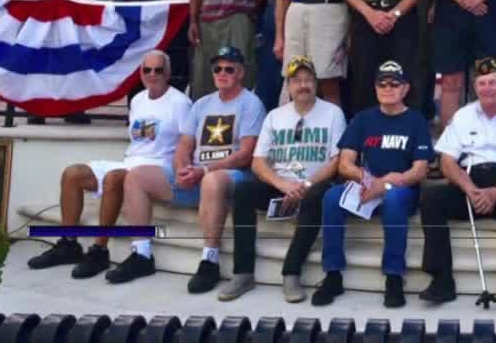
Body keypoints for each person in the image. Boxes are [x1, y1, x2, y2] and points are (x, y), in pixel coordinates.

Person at [108, 46, 265, 290]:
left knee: (212, 181)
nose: (222, 73)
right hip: (197, 177)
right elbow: (183, 145)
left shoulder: (251, 103)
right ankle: (141, 254)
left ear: (240, 73)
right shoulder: (201, 104)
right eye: (217, 68)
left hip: (231, 179)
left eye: (229, 69)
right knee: (136, 177)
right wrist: (182, 168)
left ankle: (209, 261)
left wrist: (204, 171)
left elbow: (245, 155)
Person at [26, 51, 190, 278]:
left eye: (158, 70)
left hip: (156, 166)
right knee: (72, 174)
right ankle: (68, 244)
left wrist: (182, 171)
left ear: (168, 73)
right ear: (140, 73)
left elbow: (186, 141)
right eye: (147, 70)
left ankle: (99, 251)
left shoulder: (180, 102)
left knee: (114, 177)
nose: (152, 75)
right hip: (130, 160)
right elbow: (138, 140)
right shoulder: (138, 100)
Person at [419, 56, 496, 308]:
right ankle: (441, 279)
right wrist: (470, 189)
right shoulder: (463, 116)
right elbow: (446, 161)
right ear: (475, 87)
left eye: (493, 82)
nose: (487, 88)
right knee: (431, 198)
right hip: (470, 184)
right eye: (482, 83)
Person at [219, 55, 346, 302]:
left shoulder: (333, 113)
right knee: (243, 191)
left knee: (319, 195)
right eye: (297, 80)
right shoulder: (275, 116)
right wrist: (283, 185)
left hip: (313, 185)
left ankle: (291, 271)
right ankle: (243, 273)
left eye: (308, 79)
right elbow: (258, 162)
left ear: (316, 83)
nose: (303, 85)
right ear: (288, 85)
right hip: (281, 184)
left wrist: (306, 185)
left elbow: (336, 161)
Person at [313, 60, 433, 308]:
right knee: (331, 198)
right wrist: (370, 181)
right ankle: (332, 273)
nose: (388, 88)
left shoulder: (416, 120)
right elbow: (345, 163)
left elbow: (420, 170)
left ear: (405, 88)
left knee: (394, 198)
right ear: (375, 87)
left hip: (400, 189)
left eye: (394, 83)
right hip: (365, 186)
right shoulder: (362, 119)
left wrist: (387, 183)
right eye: (382, 83)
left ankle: (393, 276)